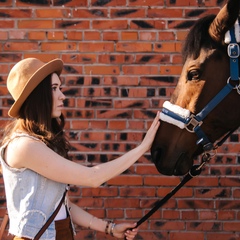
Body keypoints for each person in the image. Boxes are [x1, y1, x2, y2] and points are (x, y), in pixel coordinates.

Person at [0, 58, 160, 240]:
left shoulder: (40, 143)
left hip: (61, 233)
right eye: (54, 89)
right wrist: (143, 147)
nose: (62, 95)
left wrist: (110, 228)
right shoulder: (24, 146)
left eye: (60, 88)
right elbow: (92, 177)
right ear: (38, 95)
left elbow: (61, 205)